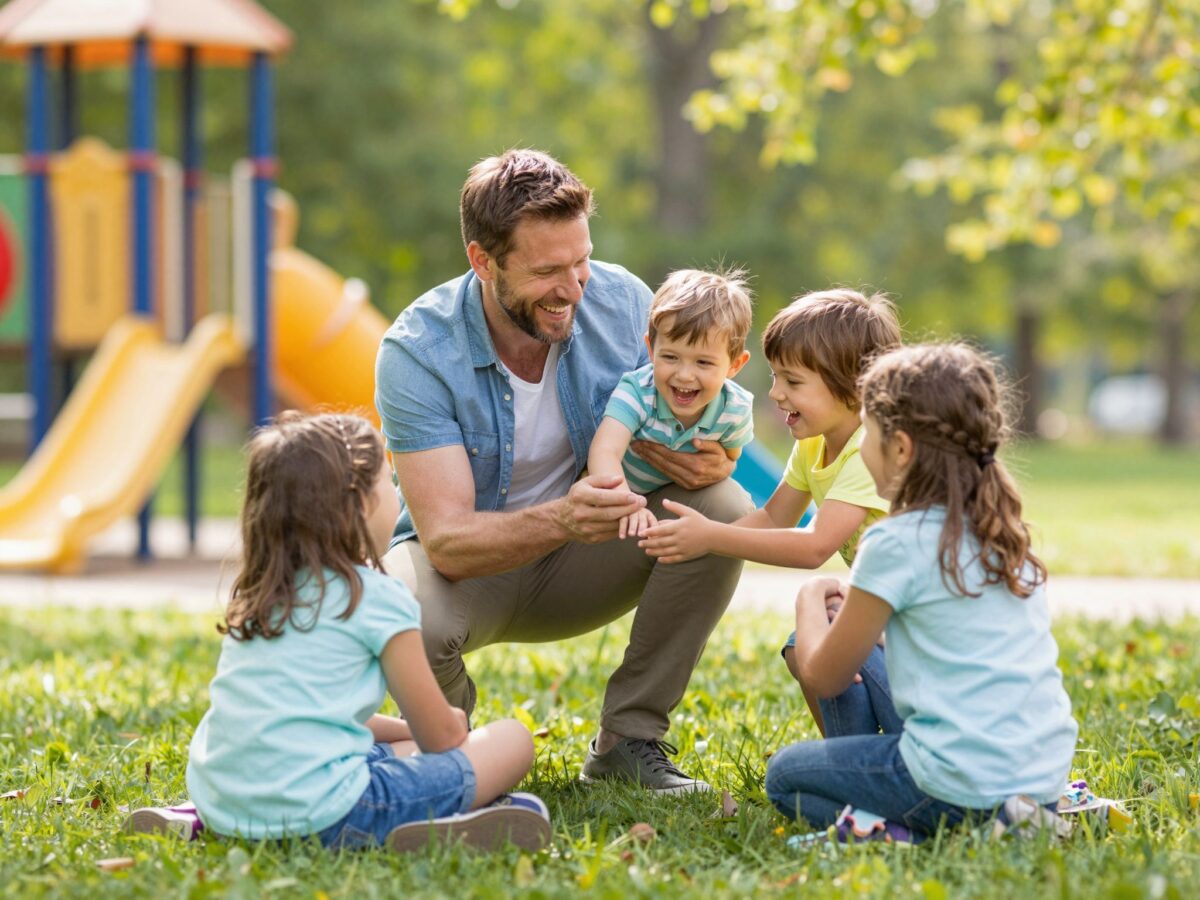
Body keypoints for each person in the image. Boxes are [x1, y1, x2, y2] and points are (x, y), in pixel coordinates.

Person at [376, 149, 753, 794]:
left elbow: (699, 397)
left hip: (593, 557)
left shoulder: (626, 302)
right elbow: (445, 541)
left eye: (581, 260)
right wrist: (565, 516)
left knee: (721, 508)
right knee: (400, 604)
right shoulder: (418, 351)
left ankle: (628, 742)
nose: (575, 286)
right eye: (548, 270)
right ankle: (447, 749)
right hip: (474, 570)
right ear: (483, 262)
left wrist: (707, 459)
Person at [125, 413, 549, 852]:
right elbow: (441, 738)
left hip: (223, 797)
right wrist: (453, 722)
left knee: (404, 753)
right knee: (512, 740)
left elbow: (315, 711)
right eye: (389, 479)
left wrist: (402, 733)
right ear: (362, 503)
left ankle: (214, 821)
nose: (398, 493)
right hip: (329, 812)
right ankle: (426, 826)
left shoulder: (265, 594)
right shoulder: (378, 598)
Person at [764, 343, 1077, 839]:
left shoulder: (894, 540)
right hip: (1039, 773)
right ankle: (1018, 817)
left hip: (954, 780)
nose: (861, 447)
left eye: (867, 431)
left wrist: (810, 595)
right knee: (861, 656)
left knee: (784, 777)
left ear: (902, 449)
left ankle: (915, 833)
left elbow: (823, 676)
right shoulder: (999, 529)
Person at [638, 289, 901, 732]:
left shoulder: (871, 446)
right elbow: (773, 519)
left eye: (793, 382)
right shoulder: (814, 443)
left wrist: (711, 537)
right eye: (776, 377)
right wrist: (695, 539)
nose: (776, 393)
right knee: (805, 644)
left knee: (816, 635)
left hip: (929, 653)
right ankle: (853, 758)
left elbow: (814, 546)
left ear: (856, 388)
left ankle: (879, 760)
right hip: (887, 625)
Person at [588, 267, 754, 539]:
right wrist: (625, 504)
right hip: (622, 498)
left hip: (674, 499)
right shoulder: (638, 391)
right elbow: (605, 451)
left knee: (730, 499)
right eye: (671, 357)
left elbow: (729, 458)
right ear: (651, 350)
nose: (684, 375)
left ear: (735, 365)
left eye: (703, 362)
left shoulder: (734, 409)